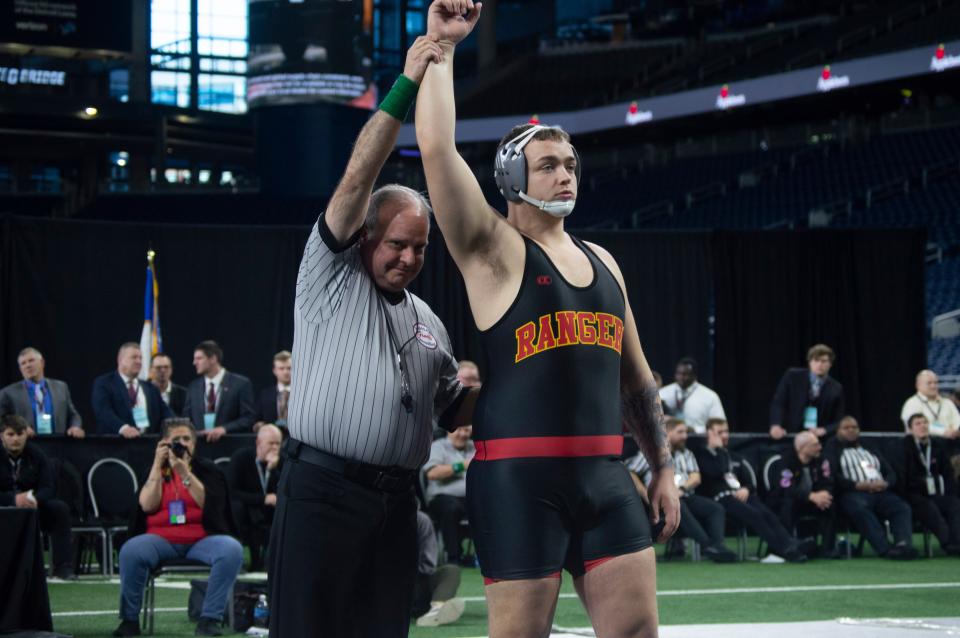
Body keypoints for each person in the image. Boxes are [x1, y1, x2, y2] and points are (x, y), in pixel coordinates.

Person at [416, 4, 680, 636]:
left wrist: (663, 466)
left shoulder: (605, 263)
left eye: (570, 165)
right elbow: (435, 146)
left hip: (606, 474)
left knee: (639, 633)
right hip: (518, 480)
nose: (566, 175)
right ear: (511, 178)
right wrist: (442, 48)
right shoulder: (495, 254)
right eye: (549, 165)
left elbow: (636, 382)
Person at [267, 35, 476, 638]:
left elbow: (455, 410)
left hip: (395, 507)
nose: (408, 257)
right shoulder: (327, 272)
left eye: (419, 248)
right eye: (395, 243)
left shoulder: (430, 322)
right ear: (364, 237)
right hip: (320, 492)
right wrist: (409, 81)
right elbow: (361, 174)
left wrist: (522, 380)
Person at [112, 418, 243, 637]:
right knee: (131, 550)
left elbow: (209, 504)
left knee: (232, 549)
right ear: (164, 442)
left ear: (194, 443)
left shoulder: (208, 470)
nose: (182, 443)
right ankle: (129, 621)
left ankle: (209, 619)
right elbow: (147, 505)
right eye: (176, 439)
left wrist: (184, 473)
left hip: (202, 539)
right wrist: (157, 464)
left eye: (187, 439)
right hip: (159, 539)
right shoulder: (154, 469)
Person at [695, 418, 809, 563]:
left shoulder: (733, 455)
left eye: (726, 431)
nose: (724, 435)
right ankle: (786, 550)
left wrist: (746, 489)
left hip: (741, 495)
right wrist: (717, 450)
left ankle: (790, 543)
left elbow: (749, 482)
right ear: (709, 434)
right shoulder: (702, 455)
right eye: (720, 432)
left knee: (767, 513)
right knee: (755, 515)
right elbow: (718, 471)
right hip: (721, 499)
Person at [625, 419, 737, 562]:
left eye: (686, 432)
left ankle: (718, 546)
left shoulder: (686, 453)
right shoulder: (652, 452)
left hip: (684, 495)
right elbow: (631, 471)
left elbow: (696, 477)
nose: (685, 436)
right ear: (667, 433)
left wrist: (683, 488)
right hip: (662, 500)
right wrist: (644, 492)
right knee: (678, 506)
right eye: (680, 432)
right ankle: (707, 546)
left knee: (716, 508)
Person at [825, 416, 916, 559]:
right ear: (838, 431)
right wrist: (857, 485)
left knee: (901, 507)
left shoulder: (868, 445)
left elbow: (889, 470)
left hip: (880, 491)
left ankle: (903, 545)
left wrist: (886, 483)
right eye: (846, 428)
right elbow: (833, 475)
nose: (851, 431)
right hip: (852, 493)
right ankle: (884, 548)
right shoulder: (832, 447)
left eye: (854, 427)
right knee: (860, 508)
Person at [0, 414, 75, 579]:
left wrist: (35, 499)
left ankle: (63, 567)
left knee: (59, 509)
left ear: (26, 435)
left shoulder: (36, 454)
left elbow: (48, 486)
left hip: (32, 508)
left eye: (20, 434)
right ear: (2, 436)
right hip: (4, 509)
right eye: (10, 434)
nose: (16, 439)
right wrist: (13, 499)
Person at [764, 431, 838, 558]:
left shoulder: (821, 460)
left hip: (813, 501)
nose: (819, 447)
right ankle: (787, 547)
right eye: (815, 445)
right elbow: (786, 487)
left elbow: (828, 481)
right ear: (802, 448)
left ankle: (827, 549)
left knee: (829, 504)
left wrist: (824, 494)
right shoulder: (785, 461)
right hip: (788, 500)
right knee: (788, 505)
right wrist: (811, 496)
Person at [899, 413, 960, 555]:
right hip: (914, 493)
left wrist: (950, 493)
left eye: (925, 423)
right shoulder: (903, 447)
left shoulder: (937, 446)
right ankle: (947, 543)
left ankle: (957, 542)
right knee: (929, 507)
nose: (923, 426)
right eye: (918, 424)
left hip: (934, 492)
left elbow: (948, 473)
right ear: (910, 429)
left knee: (954, 504)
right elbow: (903, 475)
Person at [228, 424, 283, 572]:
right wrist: (263, 499)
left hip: (271, 512)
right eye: (271, 443)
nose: (275, 447)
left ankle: (272, 561)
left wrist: (274, 470)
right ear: (259, 442)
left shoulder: (281, 462)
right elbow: (232, 492)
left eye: (278, 443)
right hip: (247, 509)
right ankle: (246, 560)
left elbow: (284, 491)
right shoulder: (241, 458)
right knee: (239, 507)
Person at [0, 347, 84, 437]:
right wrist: (19, 428)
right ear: (20, 369)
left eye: (31, 360)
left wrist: (75, 427)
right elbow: (2, 420)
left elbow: (73, 415)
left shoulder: (61, 387)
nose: (27, 365)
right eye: (23, 363)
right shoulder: (8, 392)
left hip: (58, 443)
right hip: (27, 445)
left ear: (42, 362)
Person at [92, 343, 171, 437]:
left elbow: (166, 413)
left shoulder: (151, 388)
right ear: (120, 360)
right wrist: (123, 428)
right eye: (134, 357)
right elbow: (103, 411)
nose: (139, 361)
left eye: (140, 358)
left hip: (147, 446)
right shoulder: (104, 383)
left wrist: (180, 426)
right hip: (116, 446)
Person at [183, 341, 256, 442]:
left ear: (213, 358)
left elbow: (248, 418)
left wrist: (224, 429)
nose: (194, 362)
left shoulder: (241, 384)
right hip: (199, 446)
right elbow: (186, 418)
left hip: (228, 445)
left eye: (199, 358)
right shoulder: (193, 387)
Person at [424, 424, 475, 565]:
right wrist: (462, 465)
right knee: (451, 508)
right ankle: (454, 558)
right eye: (459, 429)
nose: (463, 434)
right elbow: (432, 474)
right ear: (449, 430)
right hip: (442, 498)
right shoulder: (438, 447)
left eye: (466, 430)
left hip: (471, 499)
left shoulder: (474, 447)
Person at [769, 343, 845, 439]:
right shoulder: (792, 377)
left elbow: (839, 419)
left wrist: (825, 430)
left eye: (824, 361)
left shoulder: (836, 388)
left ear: (830, 364)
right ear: (809, 362)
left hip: (819, 438)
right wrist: (776, 425)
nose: (820, 364)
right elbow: (779, 402)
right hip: (790, 434)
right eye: (816, 360)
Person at [412, 510, 466, 627]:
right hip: (384, 589)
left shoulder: (420, 520)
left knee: (451, 571)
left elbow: (428, 565)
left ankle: (436, 610)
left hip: (414, 583)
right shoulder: (374, 518)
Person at [658, 357, 726, 435]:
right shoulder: (663, 393)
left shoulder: (710, 396)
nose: (681, 377)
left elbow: (720, 425)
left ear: (694, 375)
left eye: (685, 374)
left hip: (698, 441)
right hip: (667, 442)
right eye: (678, 373)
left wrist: (695, 430)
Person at [900, 370, 960, 439]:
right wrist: (943, 432)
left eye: (936, 383)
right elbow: (916, 426)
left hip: (950, 445)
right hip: (922, 445)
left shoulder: (947, 403)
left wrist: (955, 432)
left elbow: (957, 423)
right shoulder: (911, 403)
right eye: (929, 383)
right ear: (918, 385)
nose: (933, 386)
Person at [255, 351, 292, 429]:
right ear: (275, 371)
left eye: (289, 368)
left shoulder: (303, 395)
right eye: (281, 368)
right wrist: (258, 425)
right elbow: (256, 420)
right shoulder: (264, 395)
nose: (286, 372)